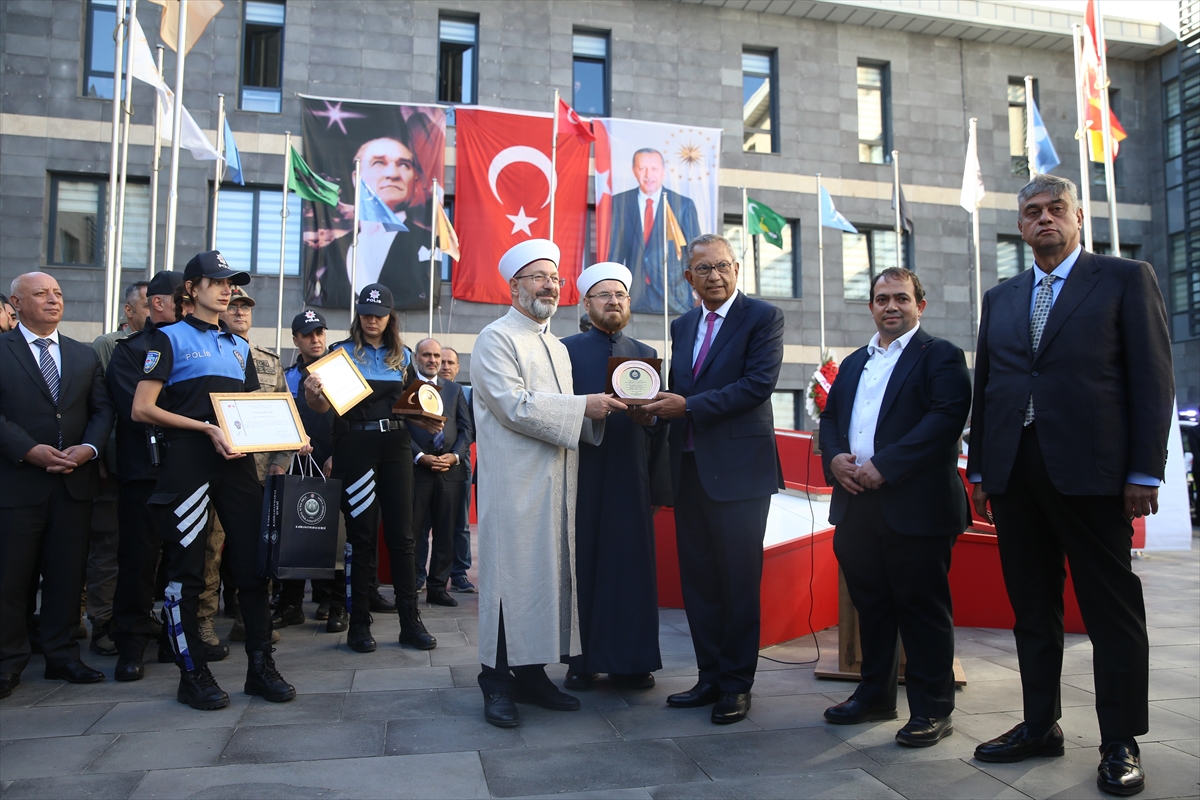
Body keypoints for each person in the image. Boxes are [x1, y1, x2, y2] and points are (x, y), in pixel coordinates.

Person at [967, 175, 1174, 796]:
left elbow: (1152, 378)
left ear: (1077, 217)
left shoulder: (1122, 280)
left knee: (1111, 611)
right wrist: (980, 470)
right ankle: (1039, 725)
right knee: (1032, 610)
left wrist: (1143, 470)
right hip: (1014, 474)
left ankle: (1120, 740)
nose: (1044, 220)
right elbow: (991, 386)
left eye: (1056, 209)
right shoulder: (1001, 297)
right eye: (1032, 212)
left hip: (1095, 476)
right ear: (1021, 226)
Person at [131, 251, 298, 710]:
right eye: (218, 282)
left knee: (253, 566)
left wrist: (288, 433)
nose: (228, 290)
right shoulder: (167, 340)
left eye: (231, 283)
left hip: (238, 464)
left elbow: (246, 412)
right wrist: (204, 427)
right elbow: (141, 408)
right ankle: (192, 674)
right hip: (188, 463)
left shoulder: (240, 346)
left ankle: (260, 668)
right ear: (192, 288)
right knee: (186, 573)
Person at [471, 239, 626, 728]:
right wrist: (584, 407)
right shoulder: (495, 338)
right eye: (538, 276)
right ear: (514, 286)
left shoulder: (557, 346)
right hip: (515, 484)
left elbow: (560, 412)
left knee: (545, 579)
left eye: (555, 278)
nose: (549, 285)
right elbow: (513, 404)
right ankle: (495, 682)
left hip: (557, 482)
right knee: (507, 580)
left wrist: (593, 409)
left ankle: (532, 676)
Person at [818, 267, 972, 747]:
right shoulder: (853, 362)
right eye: (882, 299)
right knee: (873, 608)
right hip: (858, 504)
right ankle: (875, 696)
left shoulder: (939, 355)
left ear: (919, 306)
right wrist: (835, 460)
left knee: (921, 610)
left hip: (917, 506)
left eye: (901, 298)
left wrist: (886, 464)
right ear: (871, 307)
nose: (891, 307)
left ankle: (932, 710)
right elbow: (832, 419)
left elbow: (946, 419)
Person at [637, 233, 784, 725]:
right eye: (704, 269)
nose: (714, 276)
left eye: (722, 266)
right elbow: (681, 389)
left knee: (738, 582)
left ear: (737, 269)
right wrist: (655, 408)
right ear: (689, 279)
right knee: (699, 581)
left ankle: (737, 686)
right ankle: (708, 678)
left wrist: (689, 406)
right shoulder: (682, 325)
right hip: (690, 470)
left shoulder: (763, 318)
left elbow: (758, 385)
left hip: (740, 475)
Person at [303, 283, 438, 654]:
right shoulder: (339, 354)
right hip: (356, 446)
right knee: (361, 537)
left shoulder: (403, 356)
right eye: (365, 313)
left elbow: (410, 407)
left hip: (396, 446)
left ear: (390, 316)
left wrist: (425, 420)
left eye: (378, 314)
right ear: (358, 315)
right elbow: (321, 409)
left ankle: (410, 622)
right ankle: (358, 624)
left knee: (403, 536)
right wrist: (314, 395)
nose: (372, 319)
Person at [1, 272, 114, 700]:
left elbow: (102, 411)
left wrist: (89, 447)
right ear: (16, 303)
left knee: (67, 576)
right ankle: (8, 660)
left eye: (58, 294)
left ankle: (62, 655)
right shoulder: (2, 349)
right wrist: (28, 450)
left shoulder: (83, 355)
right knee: (11, 578)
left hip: (74, 483)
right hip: (17, 483)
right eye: (41, 294)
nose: (53, 300)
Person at [561, 262, 672, 692]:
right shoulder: (564, 351)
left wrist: (657, 486)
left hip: (632, 479)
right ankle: (582, 661)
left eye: (620, 295)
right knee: (582, 568)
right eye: (603, 295)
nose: (613, 302)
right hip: (581, 475)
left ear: (628, 303)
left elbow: (663, 429)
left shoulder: (646, 356)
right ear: (587, 304)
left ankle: (632, 661)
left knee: (631, 571)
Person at [107, 270, 192, 681]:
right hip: (143, 471)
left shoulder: (197, 347)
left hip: (188, 470)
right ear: (159, 302)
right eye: (182, 297)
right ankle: (131, 644)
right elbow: (136, 408)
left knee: (184, 562)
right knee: (138, 561)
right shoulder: (130, 351)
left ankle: (177, 640)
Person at [210, 285, 290, 644]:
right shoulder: (207, 352)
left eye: (246, 307)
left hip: (259, 471)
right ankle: (202, 626)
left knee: (257, 550)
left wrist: (281, 461)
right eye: (235, 306)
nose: (240, 312)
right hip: (216, 466)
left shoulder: (269, 360)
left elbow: (286, 411)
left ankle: (251, 620)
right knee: (209, 551)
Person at [81, 280, 151, 658]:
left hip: (148, 468)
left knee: (143, 548)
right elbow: (103, 410)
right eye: (146, 306)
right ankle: (103, 621)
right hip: (113, 467)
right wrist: (103, 461)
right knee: (108, 547)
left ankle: (137, 616)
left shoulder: (165, 344)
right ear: (130, 310)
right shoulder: (107, 348)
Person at [277, 309, 346, 633]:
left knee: (335, 536)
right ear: (296, 340)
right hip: (297, 464)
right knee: (294, 533)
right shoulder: (288, 376)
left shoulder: (339, 373)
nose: (315, 339)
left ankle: (333, 604)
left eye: (320, 332)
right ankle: (290, 603)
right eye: (307, 334)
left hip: (333, 464)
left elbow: (350, 420)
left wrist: (339, 455)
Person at [307, 132, 432, 309]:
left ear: (416, 180)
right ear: (356, 177)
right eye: (379, 162)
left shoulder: (431, 243)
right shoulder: (332, 251)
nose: (392, 174)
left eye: (404, 165)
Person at [406, 338, 473, 608]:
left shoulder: (455, 390)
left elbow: (466, 430)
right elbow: (400, 428)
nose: (433, 360)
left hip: (450, 472)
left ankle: (438, 587)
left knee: (446, 532)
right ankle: (411, 585)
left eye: (436, 355)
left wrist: (454, 456)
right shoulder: (407, 389)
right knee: (414, 532)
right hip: (417, 471)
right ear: (416, 359)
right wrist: (420, 456)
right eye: (427, 355)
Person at [607, 148, 701, 315]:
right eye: (642, 168)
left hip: (674, 296)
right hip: (634, 295)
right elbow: (615, 252)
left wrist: (698, 292)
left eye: (654, 169)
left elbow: (695, 254)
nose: (648, 174)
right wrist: (610, 290)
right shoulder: (620, 202)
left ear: (663, 172)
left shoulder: (683, 205)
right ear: (634, 171)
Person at [438, 347, 475, 594]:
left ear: (458, 367)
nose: (445, 366)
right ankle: (420, 574)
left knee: (460, 522)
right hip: (427, 464)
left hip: (459, 463)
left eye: (451, 362)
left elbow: (468, 429)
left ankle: (459, 573)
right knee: (424, 523)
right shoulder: (421, 390)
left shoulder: (468, 393)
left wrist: (454, 455)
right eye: (441, 361)